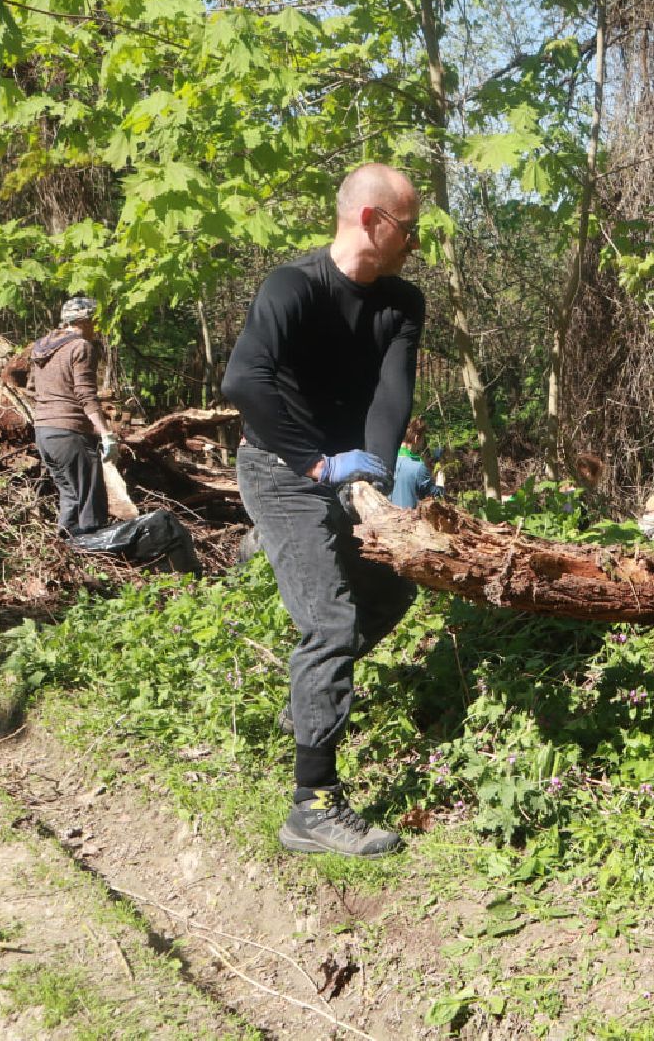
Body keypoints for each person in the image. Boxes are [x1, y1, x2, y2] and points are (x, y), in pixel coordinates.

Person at [222, 163, 426, 859]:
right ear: (372, 220)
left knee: (390, 588)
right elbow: (242, 380)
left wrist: (367, 477)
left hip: (343, 476)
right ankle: (311, 805)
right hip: (280, 470)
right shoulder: (293, 287)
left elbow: (389, 396)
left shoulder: (401, 303)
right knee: (330, 620)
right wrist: (316, 463)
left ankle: (310, 701)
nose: (415, 242)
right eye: (410, 228)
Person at [28, 296, 117, 535]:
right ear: (84, 320)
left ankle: (67, 551)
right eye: (94, 321)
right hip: (70, 432)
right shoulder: (81, 347)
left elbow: (32, 387)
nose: (96, 327)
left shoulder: (41, 348)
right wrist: (106, 433)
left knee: (71, 496)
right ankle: (96, 556)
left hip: (44, 433)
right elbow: (85, 394)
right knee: (91, 501)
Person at [389, 417, 442, 509]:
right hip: (410, 520)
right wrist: (440, 484)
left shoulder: (387, 461)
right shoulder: (418, 467)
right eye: (423, 438)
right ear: (417, 438)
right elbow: (432, 494)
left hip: (385, 519)